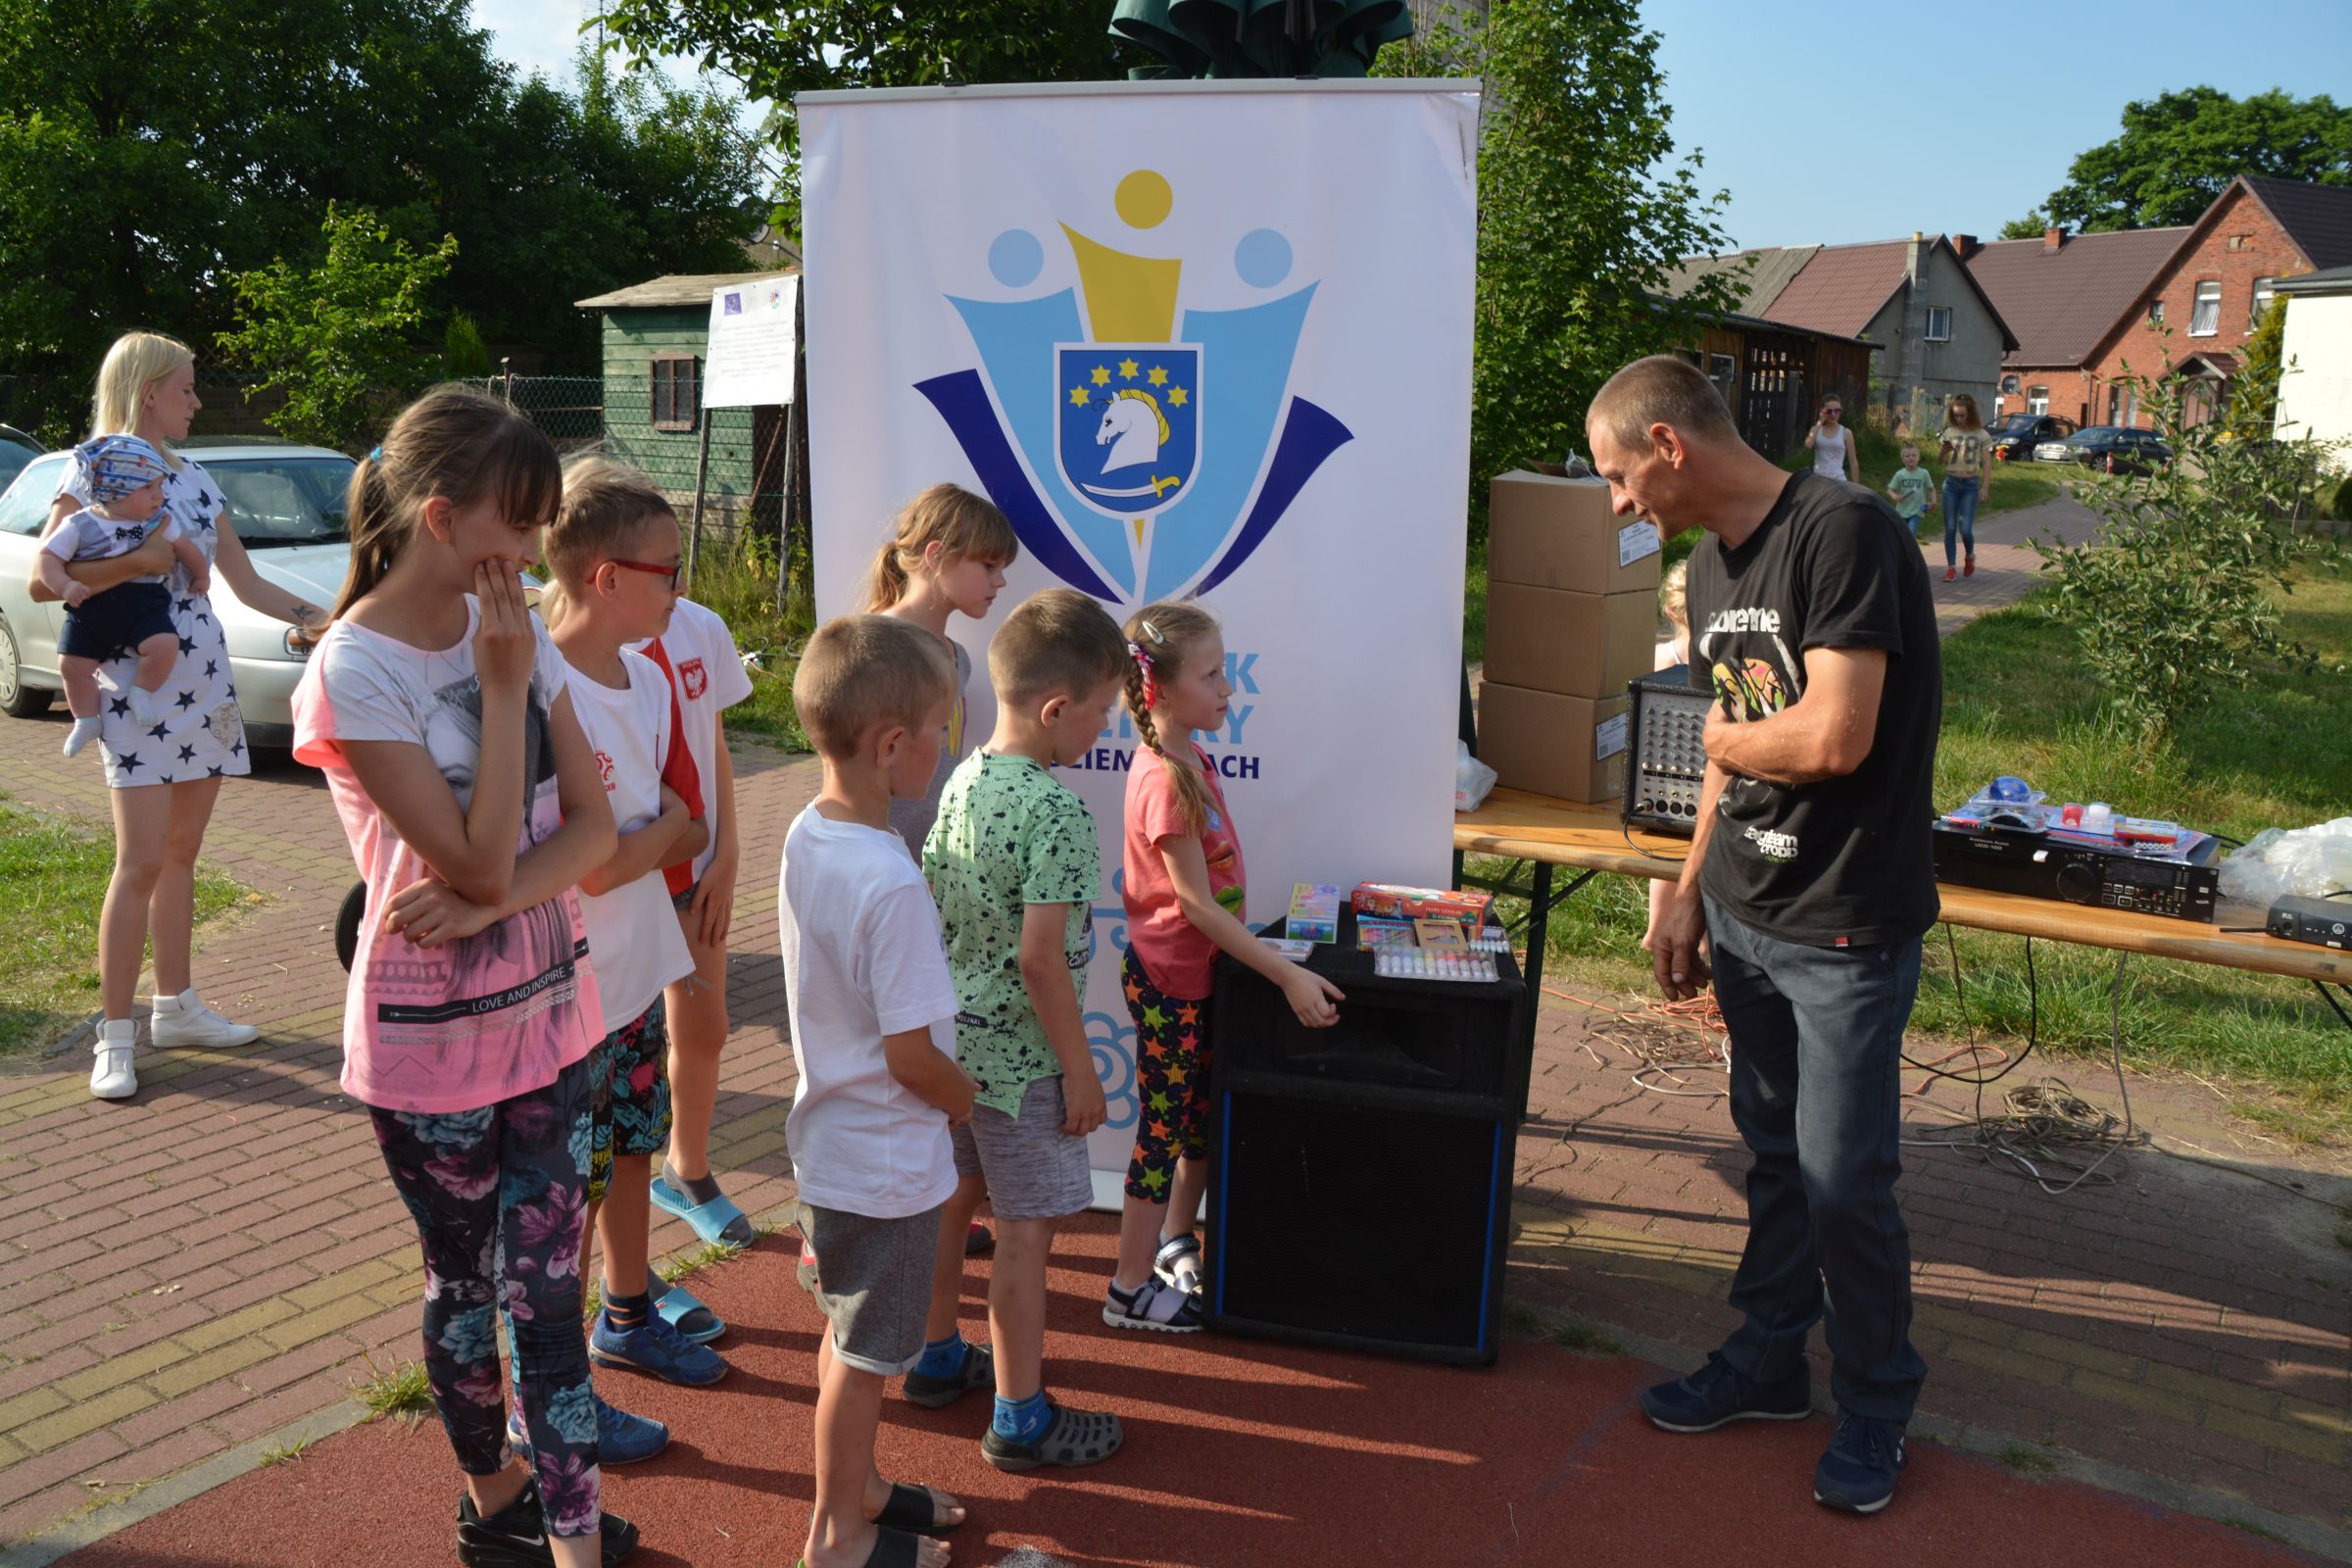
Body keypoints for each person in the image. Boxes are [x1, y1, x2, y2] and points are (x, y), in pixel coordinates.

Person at [1586, 355, 1941, 1517]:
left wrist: (1727, 740)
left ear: (1669, 444)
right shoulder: (1706, 565)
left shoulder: (1843, 531)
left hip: (1843, 922)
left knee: (1845, 1182)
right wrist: (1689, 889)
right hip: (1745, 911)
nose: (1618, 502)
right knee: (1777, 1160)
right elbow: (1731, 750)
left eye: (1618, 475)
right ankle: (1773, 1359)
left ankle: (1877, 1400)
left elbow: (1831, 737)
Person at [289, 384, 634, 1565]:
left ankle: (573, 1545)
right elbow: (479, 853)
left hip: (555, 1016)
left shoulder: (518, 632)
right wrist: (497, 690)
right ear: (441, 518)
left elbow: (593, 831)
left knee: (551, 1299)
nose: (533, 552)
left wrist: (500, 897)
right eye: (518, 524)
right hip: (429, 1049)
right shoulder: (355, 668)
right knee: (466, 1288)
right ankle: (496, 1501)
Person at [30, 332, 322, 1102]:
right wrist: (138, 563)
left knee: (183, 854)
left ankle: (177, 1007)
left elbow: (247, 583)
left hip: (206, 689)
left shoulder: (193, 477)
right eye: (186, 388)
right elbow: (46, 579)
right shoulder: (94, 469)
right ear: (149, 391)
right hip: (136, 694)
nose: (196, 401)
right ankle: (114, 1033)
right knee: (140, 863)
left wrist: (326, 620)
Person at [910, 588, 1128, 1470]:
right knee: (1025, 1235)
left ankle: (935, 1358)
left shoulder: (960, 778)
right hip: (1029, 1063)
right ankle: (1020, 1416)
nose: (1106, 728)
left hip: (958, 1049)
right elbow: (1043, 961)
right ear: (1056, 709)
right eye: (1103, 711)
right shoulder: (1058, 811)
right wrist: (1081, 1071)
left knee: (955, 1200)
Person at [779, 613, 979, 1568]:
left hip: (833, 1146)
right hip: (888, 1163)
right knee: (866, 1361)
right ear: (892, 744)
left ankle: (855, 1490)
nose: (948, 744)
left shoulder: (810, 828)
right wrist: (965, 1099)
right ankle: (837, 1536)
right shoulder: (889, 882)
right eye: (942, 728)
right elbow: (912, 1056)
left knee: (845, 1336)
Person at [533, 457, 723, 1456]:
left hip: (636, 974)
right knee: (571, 1190)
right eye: (668, 570)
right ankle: (552, 1381)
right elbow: (597, 863)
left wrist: (638, 843)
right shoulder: (540, 682)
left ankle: (628, 1313)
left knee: (634, 1150)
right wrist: (642, 841)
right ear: (606, 578)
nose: (681, 589)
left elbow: (690, 821)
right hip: (568, 993)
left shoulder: (647, 677)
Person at [1100, 602, 1343, 1333]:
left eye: (1224, 671)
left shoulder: (1191, 759)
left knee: (1200, 1120)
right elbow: (1198, 907)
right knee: (1163, 1130)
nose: (1227, 688)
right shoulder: (1165, 781)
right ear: (1161, 689)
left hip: (1202, 976)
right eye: (1211, 676)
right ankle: (1127, 1289)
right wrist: (1285, 974)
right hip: (1170, 984)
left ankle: (1176, 1238)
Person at [801, 482, 1017, 1280]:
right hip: (885, 875)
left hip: (930, 874)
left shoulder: (956, 657)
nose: (998, 582)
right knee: (876, 1041)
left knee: (923, 1026)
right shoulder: (872, 645)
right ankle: (832, 1227)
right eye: (987, 565)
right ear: (935, 555)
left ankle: (931, 1205)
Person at [637, 586, 756, 1277]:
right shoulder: (565, 635)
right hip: (617, 876)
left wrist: (728, 850)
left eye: (678, 563)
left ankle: (686, 1169)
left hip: (697, 870)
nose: (675, 583)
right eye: (661, 568)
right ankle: (623, 1277)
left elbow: (712, 741)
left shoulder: (700, 626)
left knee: (705, 1028)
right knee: (615, 1068)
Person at [36, 435, 210, 756]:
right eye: (147, 487)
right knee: (71, 666)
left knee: (164, 644)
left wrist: (201, 574)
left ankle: (141, 691)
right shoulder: (79, 524)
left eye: (159, 486)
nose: (158, 495)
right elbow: (46, 560)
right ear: (114, 490)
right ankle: (85, 719)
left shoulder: (160, 521)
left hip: (144, 603)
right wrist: (65, 586)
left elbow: (187, 549)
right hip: (90, 607)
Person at [1645, 560, 1693, 937]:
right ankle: (1675, 933)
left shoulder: (1657, 657)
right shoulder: (1660, 659)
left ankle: (1657, 928)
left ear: (1669, 611)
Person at [1936, 395, 1990, 581]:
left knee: (1965, 528)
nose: (1959, 419)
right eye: (1956, 415)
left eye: (1962, 415)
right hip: (1951, 483)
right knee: (1950, 528)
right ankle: (1951, 567)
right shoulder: (1949, 432)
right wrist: (1943, 451)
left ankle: (1969, 556)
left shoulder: (1981, 434)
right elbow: (1940, 462)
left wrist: (1985, 487)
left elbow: (1987, 463)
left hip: (1970, 485)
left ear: (1971, 414)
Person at [1885, 444, 1936, 538]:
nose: (1911, 458)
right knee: (1900, 535)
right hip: (1901, 511)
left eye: (1913, 455)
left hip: (1917, 510)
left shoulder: (1924, 473)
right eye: (1907, 456)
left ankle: (1910, 547)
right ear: (1903, 459)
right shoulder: (1900, 474)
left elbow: (1931, 488)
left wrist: (1933, 501)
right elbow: (1889, 489)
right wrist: (1895, 496)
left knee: (1910, 534)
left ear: (1918, 457)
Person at [1802, 397, 1858, 484]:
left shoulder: (1846, 432)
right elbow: (1808, 445)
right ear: (1822, 411)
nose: (1833, 414)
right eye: (1829, 411)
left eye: (1837, 410)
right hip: (1818, 479)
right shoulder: (1816, 429)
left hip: (1839, 479)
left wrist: (1855, 486)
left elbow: (1853, 461)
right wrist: (1820, 421)